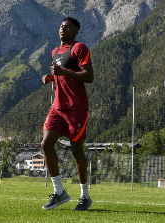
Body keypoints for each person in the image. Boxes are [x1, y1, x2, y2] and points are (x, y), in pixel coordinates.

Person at [41, 17, 94, 211]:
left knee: (77, 151)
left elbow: (89, 76)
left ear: (76, 31)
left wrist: (62, 72)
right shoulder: (55, 51)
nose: (63, 28)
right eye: (62, 26)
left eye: (68, 26)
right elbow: (60, 74)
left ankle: (85, 197)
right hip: (57, 107)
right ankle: (59, 192)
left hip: (76, 108)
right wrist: (51, 78)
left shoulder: (80, 48)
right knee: (46, 145)